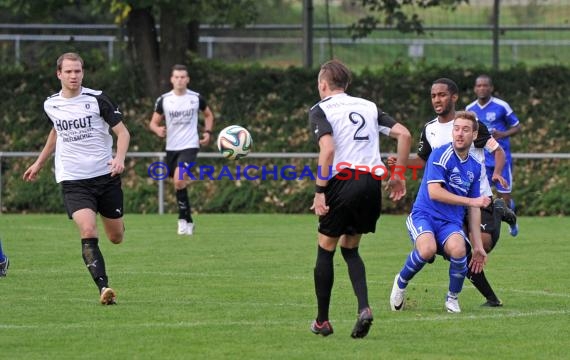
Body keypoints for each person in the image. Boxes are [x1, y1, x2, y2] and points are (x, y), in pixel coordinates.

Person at [390, 77, 516, 307]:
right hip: (450, 203)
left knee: (482, 246)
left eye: (442, 95)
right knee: (461, 251)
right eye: (433, 95)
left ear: (454, 97)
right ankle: (485, 298)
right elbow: (424, 161)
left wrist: (497, 172)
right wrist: (401, 164)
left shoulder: (472, 124)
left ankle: (498, 211)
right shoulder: (430, 130)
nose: (437, 99)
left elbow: (496, 151)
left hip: (478, 195)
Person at [309, 59, 411, 338]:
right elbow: (404, 134)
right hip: (370, 184)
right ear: (347, 85)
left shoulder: (321, 109)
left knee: (325, 247)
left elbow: (327, 150)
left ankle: (322, 321)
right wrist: (398, 175)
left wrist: (319, 191)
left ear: (323, 85)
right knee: (350, 248)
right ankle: (364, 308)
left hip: (342, 182)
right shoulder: (369, 107)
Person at [23, 52, 130, 305]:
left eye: (78, 71)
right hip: (73, 179)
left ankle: (117, 224)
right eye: (68, 71)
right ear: (59, 74)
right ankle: (104, 288)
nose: (74, 76)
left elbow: (123, 133)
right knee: (88, 229)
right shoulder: (51, 104)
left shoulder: (97, 99)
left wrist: (120, 158)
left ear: (83, 73)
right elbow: (56, 132)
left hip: (105, 176)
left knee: (116, 237)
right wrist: (39, 162)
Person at [390, 111, 490, 313]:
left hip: (450, 222)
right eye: (456, 129)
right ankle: (400, 283)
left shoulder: (475, 167)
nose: (460, 133)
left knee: (460, 250)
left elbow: (474, 207)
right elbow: (434, 192)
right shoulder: (440, 154)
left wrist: (478, 246)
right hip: (424, 215)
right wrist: (472, 200)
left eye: (465, 129)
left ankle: (452, 298)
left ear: (475, 135)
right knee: (426, 250)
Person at [149, 64, 214, 236]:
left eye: (183, 77)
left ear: (188, 79)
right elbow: (153, 122)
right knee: (179, 184)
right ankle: (188, 219)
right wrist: (158, 130)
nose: (180, 80)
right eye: (176, 77)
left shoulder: (196, 98)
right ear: (171, 79)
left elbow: (208, 115)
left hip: (190, 145)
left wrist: (207, 132)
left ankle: (181, 220)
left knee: (179, 180)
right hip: (172, 147)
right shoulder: (164, 100)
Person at [466, 74, 521, 236]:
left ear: (491, 88)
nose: (482, 88)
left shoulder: (501, 106)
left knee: (504, 199)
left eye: (485, 85)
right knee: (478, 196)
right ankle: (481, 228)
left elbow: (517, 127)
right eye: (479, 85)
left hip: (500, 159)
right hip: (480, 161)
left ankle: (511, 219)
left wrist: (502, 134)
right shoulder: (470, 109)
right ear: (475, 88)